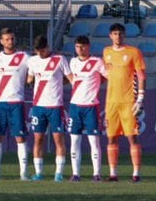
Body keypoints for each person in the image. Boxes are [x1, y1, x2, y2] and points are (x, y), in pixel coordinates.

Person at [0, 28, 31, 181]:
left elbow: (37, 69)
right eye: (7, 39)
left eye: (12, 38)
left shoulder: (24, 57)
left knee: (20, 138)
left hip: (17, 103)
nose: (10, 41)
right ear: (1, 41)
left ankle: (23, 173)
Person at [103, 22, 146, 182]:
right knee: (111, 137)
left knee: (132, 137)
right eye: (114, 33)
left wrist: (140, 97)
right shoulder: (106, 52)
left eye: (120, 33)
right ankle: (113, 174)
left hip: (129, 101)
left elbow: (141, 76)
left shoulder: (134, 52)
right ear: (110, 36)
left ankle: (136, 174)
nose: (117, 36)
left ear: (124, 35)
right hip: (111, 102)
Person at [25, 34, 70, 182]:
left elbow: (70, 78)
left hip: (55, 106)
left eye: (42, 51)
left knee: (59, 139)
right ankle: (38, 173)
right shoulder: (32, 61)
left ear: (48, 47)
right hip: (38, 106)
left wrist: (60, 83)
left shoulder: (59, 59)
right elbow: (30, 79)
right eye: (37, 51)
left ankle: (59, 173)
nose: (40, 54)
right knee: (38, 139)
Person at [66, 36, 108, 181]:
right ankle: (75, 173)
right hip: (75, 106)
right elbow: (72, 80)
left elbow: (107, 76)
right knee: (74, 141)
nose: (80, 49)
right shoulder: (72, 62)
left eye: (83, 46)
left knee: (93, 141)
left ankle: (96, 173)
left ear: (88, 46)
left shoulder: (97, 62)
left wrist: (96, 84)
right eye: (77, 46)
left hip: (91, 106)